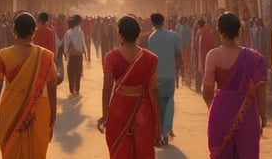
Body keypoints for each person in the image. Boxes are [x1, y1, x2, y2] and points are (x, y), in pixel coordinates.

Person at [0, 12, 57, 159]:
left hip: (10, 110)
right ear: (34, 31)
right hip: (39, 111)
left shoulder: (3, 55)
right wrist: (53, 113)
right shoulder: (45, 56)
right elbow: (52, 85)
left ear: (14, 30)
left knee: (10, 150)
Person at [203, 12, 268, 159]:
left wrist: (216, 112)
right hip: (247, 114)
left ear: (219, 31)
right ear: (239, 31)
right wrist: (262, 114)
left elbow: (207, 93)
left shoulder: (213, 56)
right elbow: (261, 88)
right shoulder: (253, 57)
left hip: (220, 112)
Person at [97, 14, 160, 159]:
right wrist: (158, 123)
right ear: (138, 34)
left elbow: (107, 88)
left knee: (119, 150)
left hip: (118, 109)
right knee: (143, 151)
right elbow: (153, 90)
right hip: (143, 111)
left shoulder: (111, 57)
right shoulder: (149, 58)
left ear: (120, 34)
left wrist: (105, 116)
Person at [147, 12, 182, 146]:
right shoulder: (173, 36)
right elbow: (179, 56)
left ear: (152, 23)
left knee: (158, 106)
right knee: (169, 105)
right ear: (164, 21)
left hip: (156, 76)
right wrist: (178, 71)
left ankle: (159, 133)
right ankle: (166, 132)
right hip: (169, 75)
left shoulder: (151, 38)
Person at [63, 14, 86, 95]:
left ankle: (71, 89)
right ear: (79, 22)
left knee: (71, 72)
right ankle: (77, 88)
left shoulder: (68, 32)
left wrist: (65, 53)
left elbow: (66, 44)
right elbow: (83, 44)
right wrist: (84, 54)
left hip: (72, 56)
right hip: (79, 55)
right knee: (78, 72)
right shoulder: (81, 32)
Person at [195, 18, 214, 93]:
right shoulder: (208, 31)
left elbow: (196, 44)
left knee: (201, 70)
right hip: (207, 53)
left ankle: (200, 87)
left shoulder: (199, 32)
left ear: (199, 25)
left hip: (201, 54)